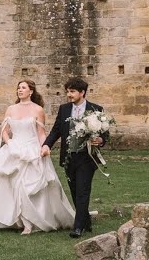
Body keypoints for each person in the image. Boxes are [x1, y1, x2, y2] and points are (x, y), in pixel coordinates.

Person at [0, 80, 76, 234]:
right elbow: (4, 131)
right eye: (18, 88)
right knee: (12, 185)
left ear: (31, 91)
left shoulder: (38, 110)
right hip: (14, 149)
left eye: (23, 88)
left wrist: (44, 148)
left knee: (27, 186)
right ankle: (18, 219)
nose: (20, 90)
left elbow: (41, 133)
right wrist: (10, 143)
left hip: (31, 150)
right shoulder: (10, 109)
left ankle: (29, 223)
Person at [41, 77, 109, 238]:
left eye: (72, 91)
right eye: (68, 91)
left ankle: (78, 227)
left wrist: (100, 140)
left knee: (82, 191)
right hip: (68, 157)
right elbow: (56, 130)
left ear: (82, 92)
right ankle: (85, 220)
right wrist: (46, 145)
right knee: (74, 190)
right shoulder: (64, 109)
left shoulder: (96, 109)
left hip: (87, 158)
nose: (69, 95)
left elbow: (105, 133)